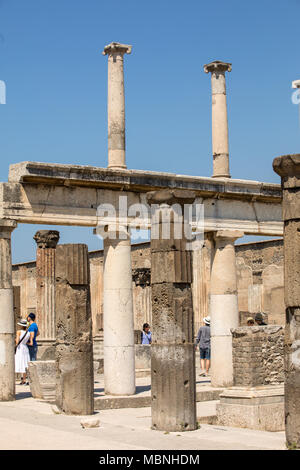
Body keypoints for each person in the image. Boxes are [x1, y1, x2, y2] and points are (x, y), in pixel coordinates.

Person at [15, 319, 30, 385]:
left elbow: (17, 341)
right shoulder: (28, 333)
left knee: (19, 361)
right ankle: (24, 379)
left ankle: (22, 379)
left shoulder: (19, 332)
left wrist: (15, 339)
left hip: (20, 348)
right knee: (25, 363)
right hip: (25, 347)